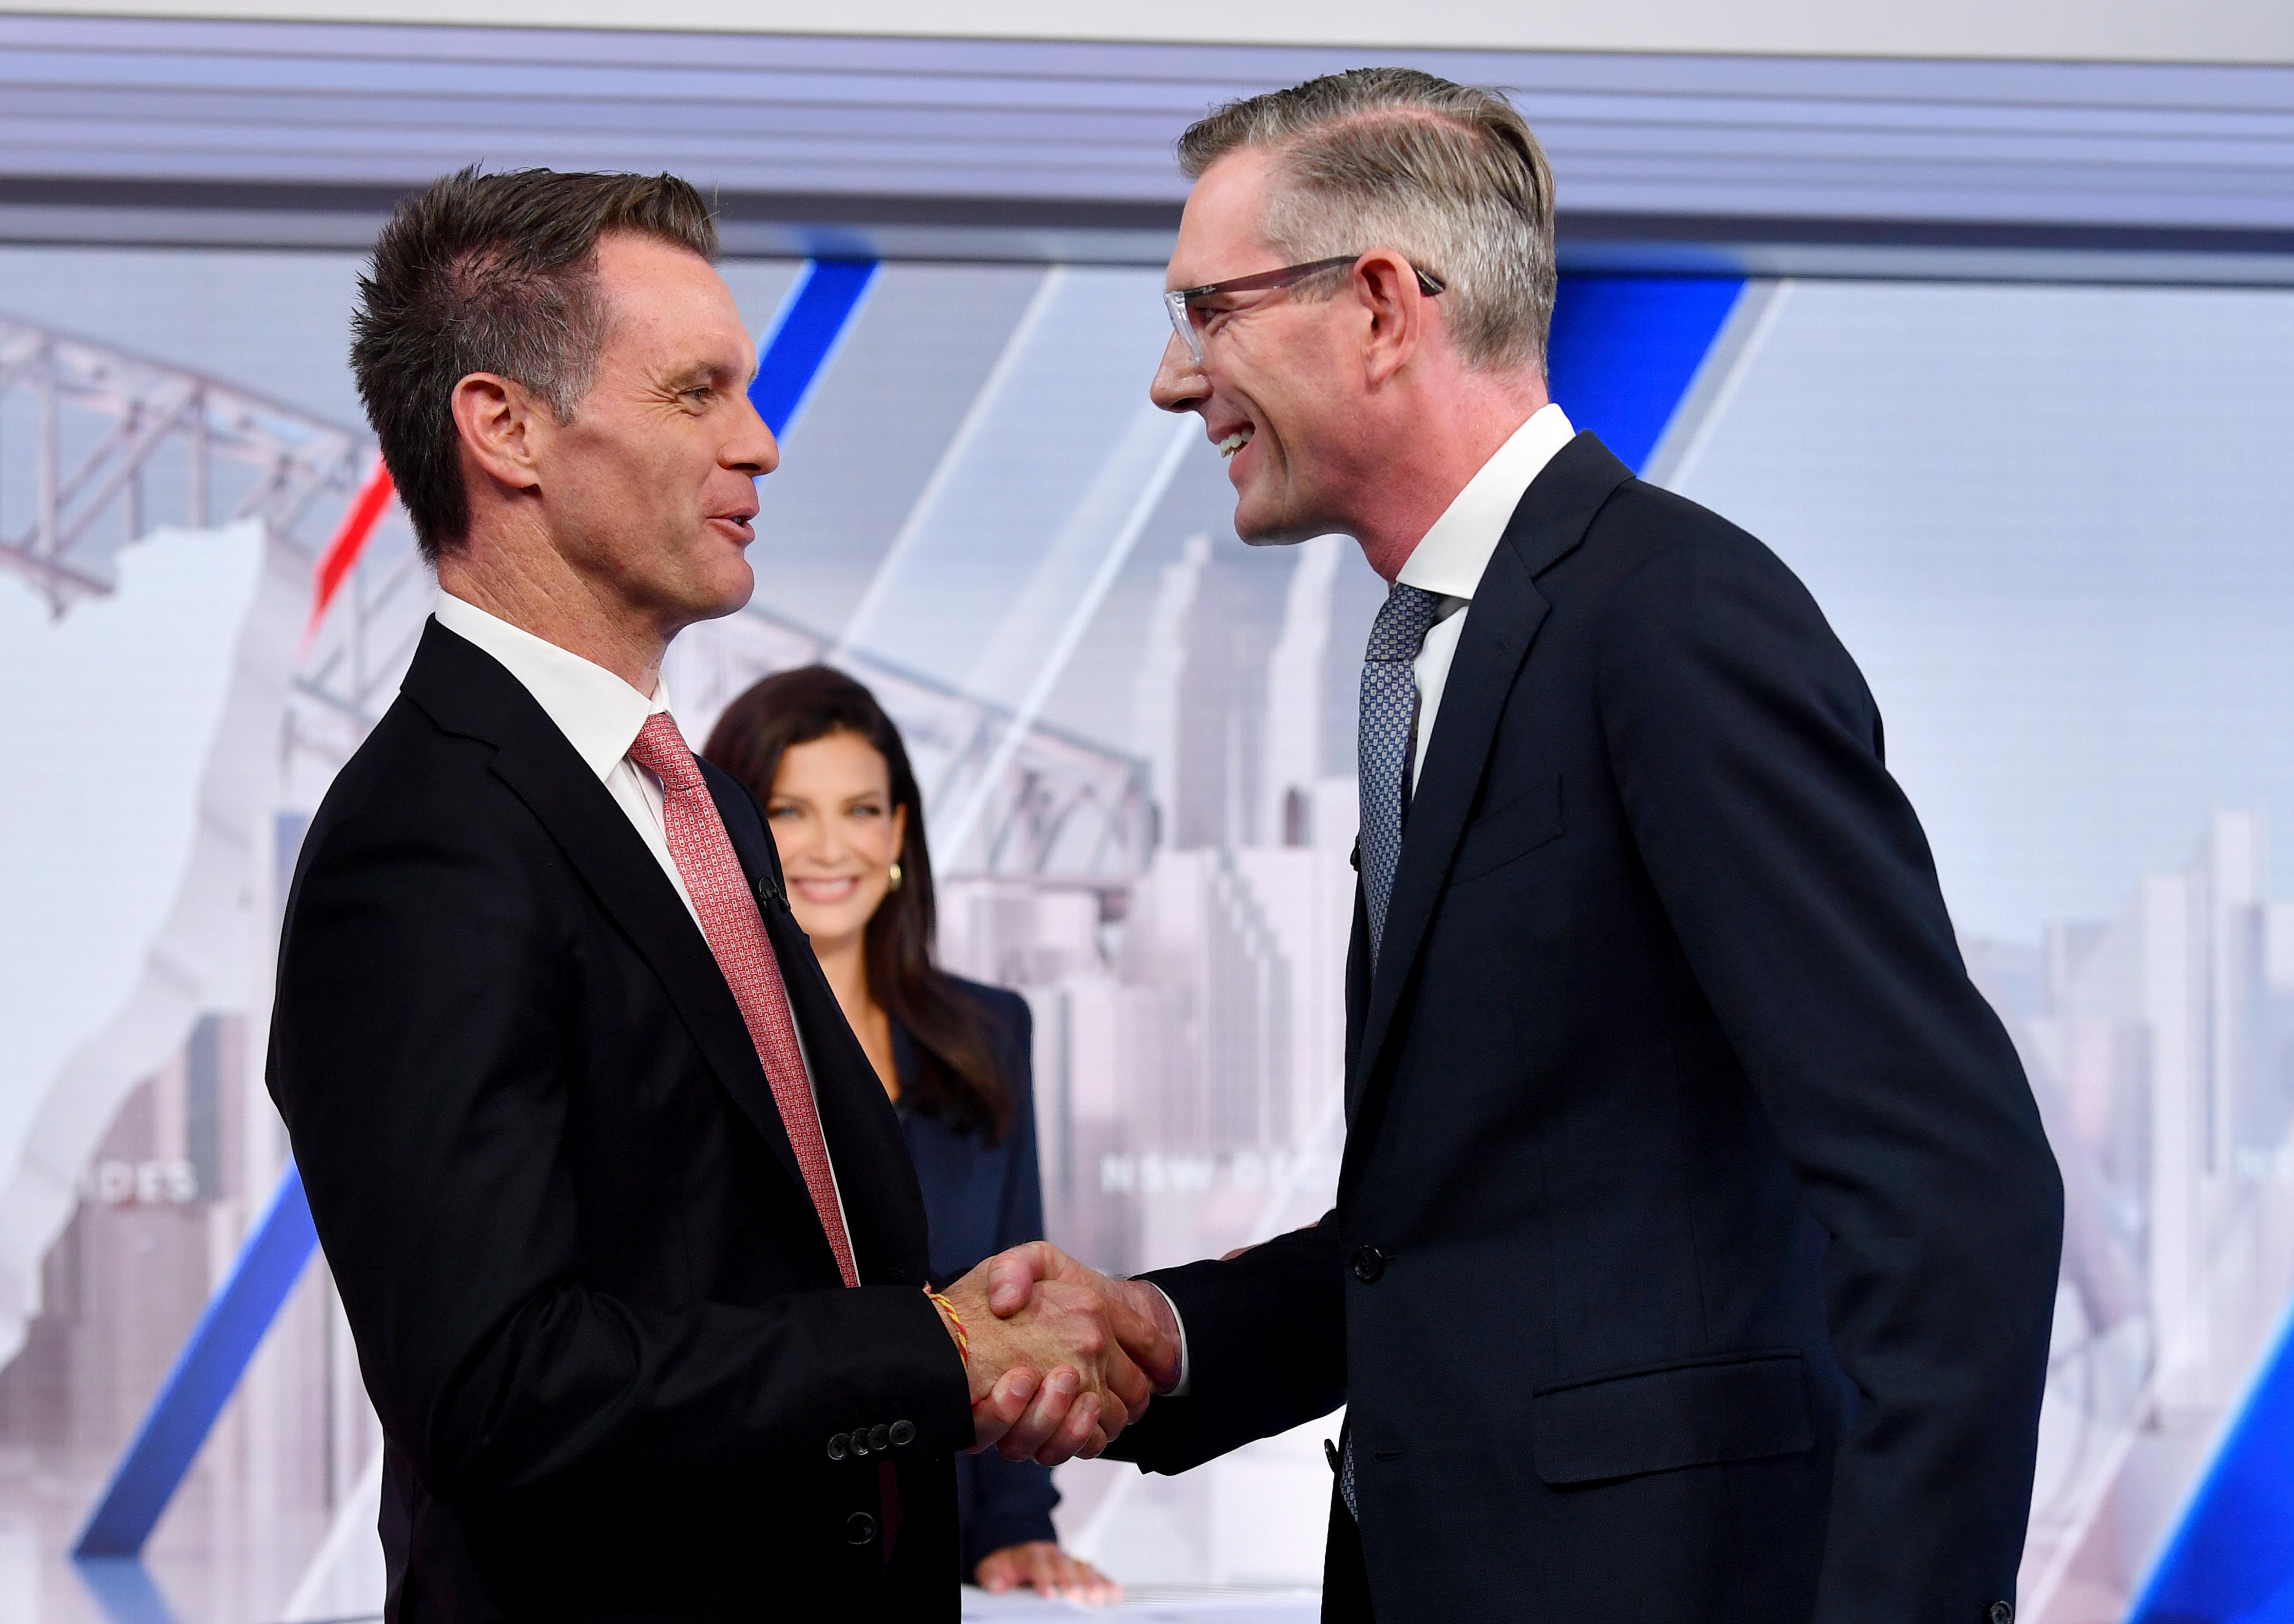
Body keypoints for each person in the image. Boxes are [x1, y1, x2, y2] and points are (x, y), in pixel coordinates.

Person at [988, 68, 2065, 1624]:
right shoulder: (1441, 651)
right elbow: (1453, 1244)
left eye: (1208, 311)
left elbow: (1953, 1191)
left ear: (1379, 308)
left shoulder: (1672, 618)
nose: (1175, 378)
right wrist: (1171, 1332)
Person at [265, 166, 1165, 1623]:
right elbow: (497, 1388)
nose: (761, 442)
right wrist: (935, 1357)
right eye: (698, 393)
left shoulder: (702, 808)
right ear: (504, 429)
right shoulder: (424, 841)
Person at [702, 665, 1122, 1605]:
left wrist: (1018, 1531)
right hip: (746, 1549)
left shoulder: (989, 1035)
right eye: (788, 811)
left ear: (897, 834)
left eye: (860, 810)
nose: (830, 847)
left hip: (946, 1547)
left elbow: (1016, 1300)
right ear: (732, 836)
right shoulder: (694, 1048)